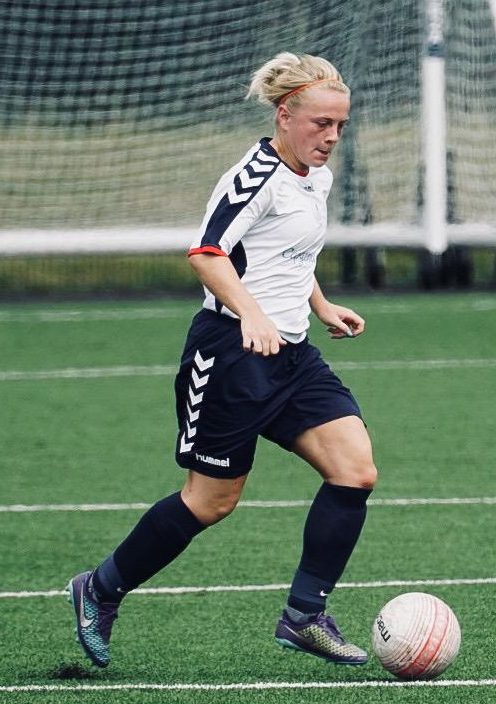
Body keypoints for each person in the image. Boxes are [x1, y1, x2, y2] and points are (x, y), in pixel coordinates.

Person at [67, 51, 378, 669]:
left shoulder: (317, 175)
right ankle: (99, 588)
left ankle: (303, 616)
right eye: (321, 125)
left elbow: (290, 255)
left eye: (340, 126)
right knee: (210, 502)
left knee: (355, 470)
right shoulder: (254, 177)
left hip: (292, 357)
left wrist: (318, 304)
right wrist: (253, 315)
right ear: (285, 115)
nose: (332, 138)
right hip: (230, 355)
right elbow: (208, 254)